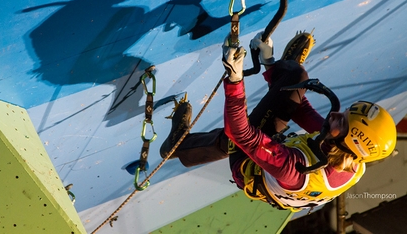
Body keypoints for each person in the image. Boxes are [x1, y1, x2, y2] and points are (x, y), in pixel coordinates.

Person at [159, 31, 397, 211]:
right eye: (343, 113)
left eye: (341, 122)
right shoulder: (352, 157)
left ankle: (177, 146)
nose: (334, 115)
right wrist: (273, 67)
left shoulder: (296, 169)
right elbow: (302, 111)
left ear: (347, 142)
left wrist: (235, 78)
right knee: (295, 80)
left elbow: (240, 133)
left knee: (237, 139)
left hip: (252, 171)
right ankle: (285, 74)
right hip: (285, 172)